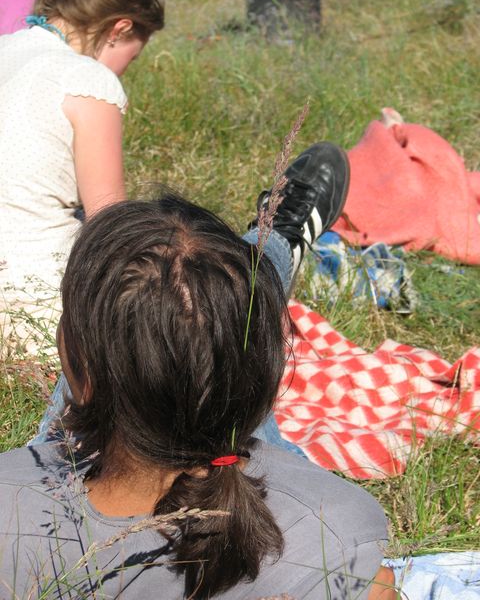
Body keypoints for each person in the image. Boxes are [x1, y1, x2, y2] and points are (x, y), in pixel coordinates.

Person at [0, 143, 396, 599]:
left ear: (80, 380)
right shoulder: (337, 532)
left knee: (129, 330)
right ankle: (273, 245)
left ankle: (264, 254)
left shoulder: (11, 506)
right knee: (197, 327)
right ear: (267, 386)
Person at [0, 0, 164, 356]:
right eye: (132, 57)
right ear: (119, 28)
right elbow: (109, 224)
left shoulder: (5, 48)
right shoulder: (87, 79)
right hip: (36, 312)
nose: (124, 71)